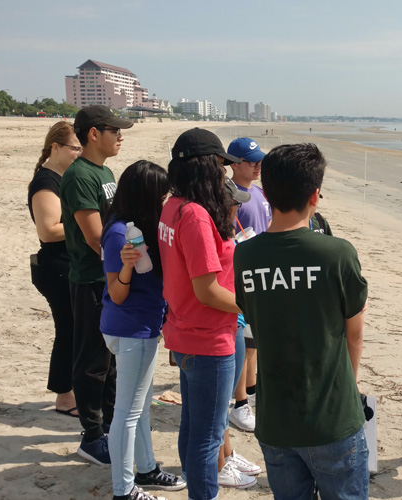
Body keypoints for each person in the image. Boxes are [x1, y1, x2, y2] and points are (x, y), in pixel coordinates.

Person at [234, 143, 369, 499]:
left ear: (268, 192)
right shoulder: (337, 253)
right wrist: (352, 386)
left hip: (276, 418)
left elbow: (252, 318)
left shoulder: (245, 256)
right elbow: (354, 334)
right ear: (315, 195)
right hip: (333, 416)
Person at [158, 128, 242, 500]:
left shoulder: (172, 206)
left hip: (184, 330)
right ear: (207, 167)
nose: (224, 173)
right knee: (208, 438)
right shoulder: (192, 215)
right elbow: (207, 290)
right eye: (221, 166)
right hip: (207, 337)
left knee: (193, 428)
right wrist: (254, 305)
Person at [100, 161, 186, 500]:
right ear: (145, 196)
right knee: (127, 412)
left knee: (140, 403)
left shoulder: (141, 227)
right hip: (131, 328)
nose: (164, 201)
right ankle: (124, 489)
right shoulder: (120, 233)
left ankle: (147, 469)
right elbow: (117, 294)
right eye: (161, 195)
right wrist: (126, 265)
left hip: (141, 326)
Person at [59, 105, 133, 465]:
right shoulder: (79, 175)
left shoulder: (104, 171)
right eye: (114, 130)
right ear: (93, 133)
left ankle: (108, 426)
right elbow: (94, 237)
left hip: (110, 278)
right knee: (92, 360)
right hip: (91, 279)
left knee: (111, 360)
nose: (121, 136)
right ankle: (91, 436)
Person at [28, 121, 81, 417]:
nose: (79, 153)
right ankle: (64, 396)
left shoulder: (63, 178)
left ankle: (69, 390)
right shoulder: (45, 182)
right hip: (56, 265)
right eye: (75, 147)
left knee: (74, 329)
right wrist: (88, 220)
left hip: (67, 262)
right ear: (56, 147)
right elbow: (47, 230)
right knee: (68, 330)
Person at [215, 178, 260, 489]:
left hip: (237, 321)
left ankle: (227, 453)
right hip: (226, 322)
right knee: (217, 405)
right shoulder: (213, 236)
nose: (238, 208)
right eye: (234, 203)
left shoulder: (228, 233)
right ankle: (218, 464)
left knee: (224, 403)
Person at [225, 137, 272, 433]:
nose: (257, 167)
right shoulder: (230, 195)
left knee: (254, 343)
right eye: (251, 161)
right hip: (244, 276)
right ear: (234, 163)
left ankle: (251, 392)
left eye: (259, 161)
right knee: (243, 341)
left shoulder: (260, 192)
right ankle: (240, 403)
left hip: (265, 273)